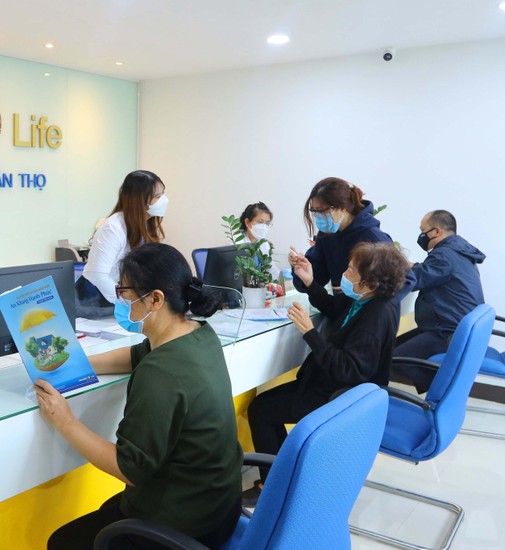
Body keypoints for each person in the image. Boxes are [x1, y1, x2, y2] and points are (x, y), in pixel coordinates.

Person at [38, 243, 243, 549]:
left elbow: (128, 469)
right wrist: (73, 365)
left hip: (188, 523)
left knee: (62, 542)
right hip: (219, 505)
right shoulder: (198, 333)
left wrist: (65, 421)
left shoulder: (161, 372)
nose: (120, 302)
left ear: (156, 299)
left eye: (125, 294)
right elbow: (135, 355)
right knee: (107, 510)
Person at [246, 242, 408, 504]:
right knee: (264, 407)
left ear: (370, 283)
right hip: (328, 384)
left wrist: (310, 332)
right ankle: (281, 479)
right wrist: (310, 282)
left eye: (351, 271)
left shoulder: (375, 317)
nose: (345, 274)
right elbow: (334, 308)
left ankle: (273, 489)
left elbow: (346, 369)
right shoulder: (367, 300)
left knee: (261, 410)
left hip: (338, 396)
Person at [393, 210, 485, 393]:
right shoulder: (457, 249)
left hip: (447, 332)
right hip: (453, 326)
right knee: (390, 346)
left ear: (436, 231)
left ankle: (444, 385)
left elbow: (415, 280)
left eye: (423, 231)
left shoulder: (443, 255)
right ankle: (446, 384)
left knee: (394, 359)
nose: (421, 236)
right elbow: (432, 272)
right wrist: (414, 266)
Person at [75, 170, 167, 318]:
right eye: (157, 196)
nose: (164, 200)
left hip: (121, 297)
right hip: (97, 300)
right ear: (139, 200)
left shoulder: (144, 224)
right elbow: (98, 275)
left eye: (162, 194)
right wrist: (127, 304)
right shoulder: (113, 228)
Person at [289, 177, 393, 294]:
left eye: (322, 211)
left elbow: (397, 285)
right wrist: (301, 270)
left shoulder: (375, 238)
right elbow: (317, 278)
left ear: (342, 208)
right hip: (339, 305)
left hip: (368, 306)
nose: (318, 216)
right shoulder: (326, 235)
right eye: (315, 211)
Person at [239, 201, 280, 280]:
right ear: (247, 222)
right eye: (260, 222)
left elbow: (271, 269)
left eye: (267, 223)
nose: (264, 226)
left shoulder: (264, 243)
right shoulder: (236, 242)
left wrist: (283, 280)